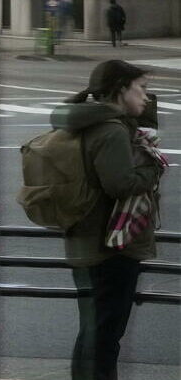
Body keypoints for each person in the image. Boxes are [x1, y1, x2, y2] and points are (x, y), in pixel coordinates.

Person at [51, 60, 165, 380]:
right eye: (140, 88)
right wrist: (154, 168)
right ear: (119, 89)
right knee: (104, 337)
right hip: (111, 247)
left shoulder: (89, 122)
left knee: (93, 331)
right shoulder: (111, 130)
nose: (146, 95)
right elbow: (121, 184)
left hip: (86, 241)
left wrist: (143, 110)